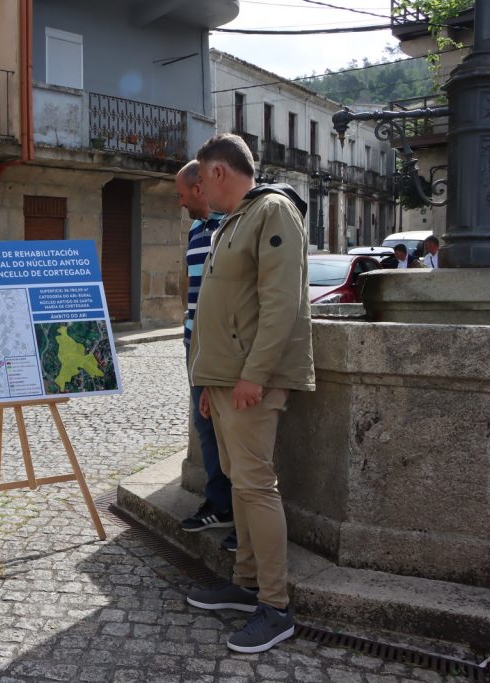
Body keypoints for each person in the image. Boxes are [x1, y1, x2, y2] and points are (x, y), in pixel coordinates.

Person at [185, 134, 315, 654]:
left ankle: (276, 607)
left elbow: (280, 303)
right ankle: (245, 586)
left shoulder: (273, 212)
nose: (196, 189)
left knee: (256, 485)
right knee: (240, 484)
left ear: (219, 172)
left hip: (249, 379)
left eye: (200, 179)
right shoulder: (231, 222)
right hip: (223, 378)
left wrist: (254, 374)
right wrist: (208, 380)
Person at [174, 161, 236, 553]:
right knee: (205, 425)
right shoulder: (198, 228)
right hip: (194, 344)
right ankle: (220, 503)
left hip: (222, 347)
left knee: (232, 433)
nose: (180, 203)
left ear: (200, 187)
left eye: (182, 194)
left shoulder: (233, 225)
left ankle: (240, 514)